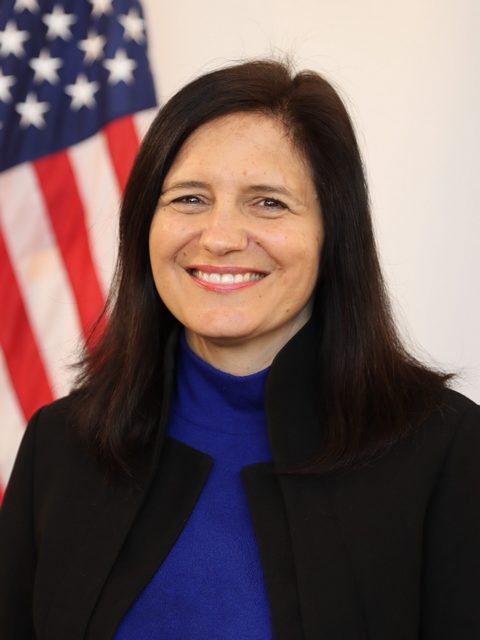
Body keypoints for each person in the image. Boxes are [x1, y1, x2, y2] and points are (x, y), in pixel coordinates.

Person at [1, 59, 479, 640]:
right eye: (189, 199)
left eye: (268, 202)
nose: (221, 237)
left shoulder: (446, 451)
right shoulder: (60, 446)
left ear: (332, 234)